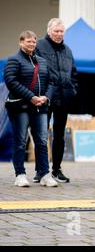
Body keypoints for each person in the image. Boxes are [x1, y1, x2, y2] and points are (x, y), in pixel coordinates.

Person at [4, 31, 58, 187]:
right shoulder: (14, 60)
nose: (32, 44)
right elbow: (11, 81)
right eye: (28, 41)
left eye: (34, 42)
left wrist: (45, 97)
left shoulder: (42, 61)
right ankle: (20, 174)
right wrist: (31, 97)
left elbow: (51, 82)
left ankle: (44, 174)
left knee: (42, 140)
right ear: (21, 42)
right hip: (21, 106)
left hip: (40, 106)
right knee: (20, 141)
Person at [36, 18, 77, 183]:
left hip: (63, 97)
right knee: (41, 134)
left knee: (59, 135)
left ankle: (56, 169)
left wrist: (73, 89)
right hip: (45, 97)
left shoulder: (67, 50)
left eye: (62, 31)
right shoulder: (39, 46)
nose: (59, 34)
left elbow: (73, 72)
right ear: (49, 31)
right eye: (56, 31)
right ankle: (41, 170)